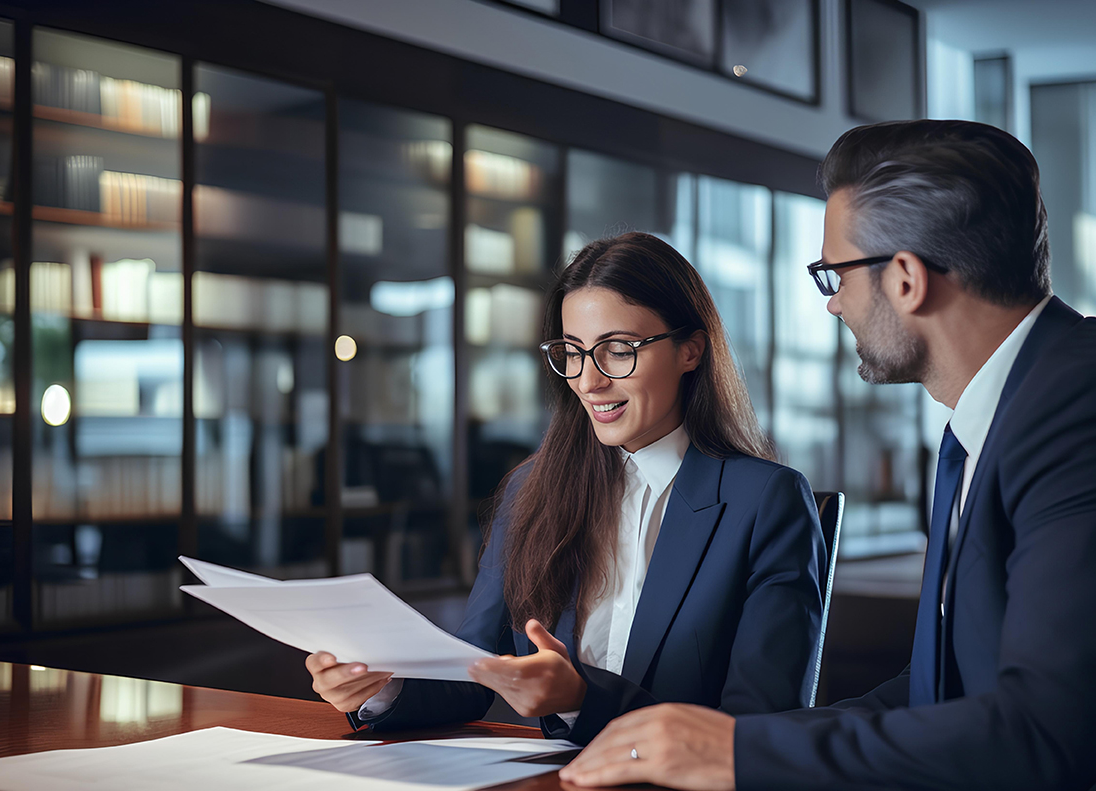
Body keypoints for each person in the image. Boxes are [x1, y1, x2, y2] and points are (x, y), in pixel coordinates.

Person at [560, 120, 1096, 791]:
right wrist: (715, 739)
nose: (834, 302)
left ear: (905, 278)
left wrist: (733, 751)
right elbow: (936, 688)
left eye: (833, 275)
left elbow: (1041, 735)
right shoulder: (1006, 409)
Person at [307, 232, 827, 743]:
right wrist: (378, 688)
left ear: (690, 350)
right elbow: (473, 671)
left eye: (618, 349)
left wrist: (582, 698)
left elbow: (761, 724)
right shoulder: (533, 488)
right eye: (572, 352)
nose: (588, 380)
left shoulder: (765, 500)